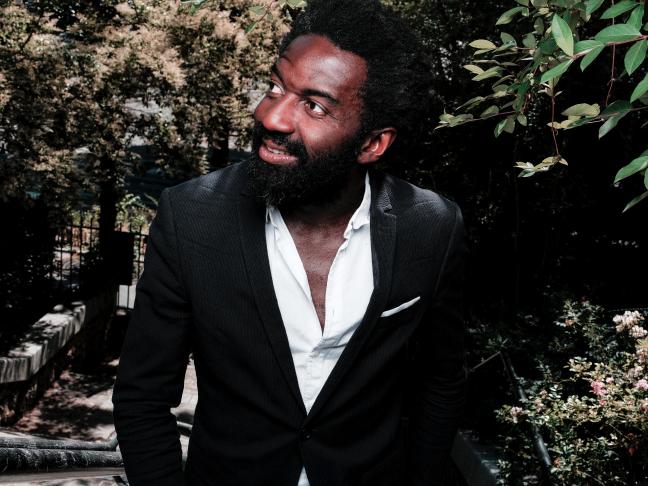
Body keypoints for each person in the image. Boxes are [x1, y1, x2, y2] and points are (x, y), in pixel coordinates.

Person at [112, 0, 467, 485]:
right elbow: (142, 396)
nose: (272, 116)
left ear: (372, 144)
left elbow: (440, 382)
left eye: (314, 106)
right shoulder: (191, 216)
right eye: (276, 87)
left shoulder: (431, 226)